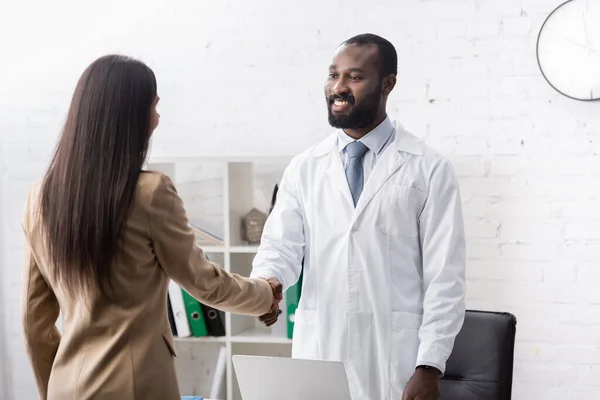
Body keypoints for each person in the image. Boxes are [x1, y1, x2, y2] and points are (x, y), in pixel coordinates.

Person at [20, 54, 282, 400]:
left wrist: (53, 389)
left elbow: (34, 323)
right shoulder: (150, 193)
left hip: (66, 387)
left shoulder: (39, 198)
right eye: (153, 107)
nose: (157, 119)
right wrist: (264, 295)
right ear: (129, 115)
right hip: (135, 387)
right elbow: (204, 283)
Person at [251, 33, 466, 400]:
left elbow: (445, 277)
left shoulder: (428, 169)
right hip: (321, 351)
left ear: (387, 84)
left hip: (395, 361)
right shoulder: (305, 167)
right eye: (333, 75)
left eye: (354, 77)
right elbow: (280, 246)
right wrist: (267, 286)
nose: (338, 87)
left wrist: (429, 366)